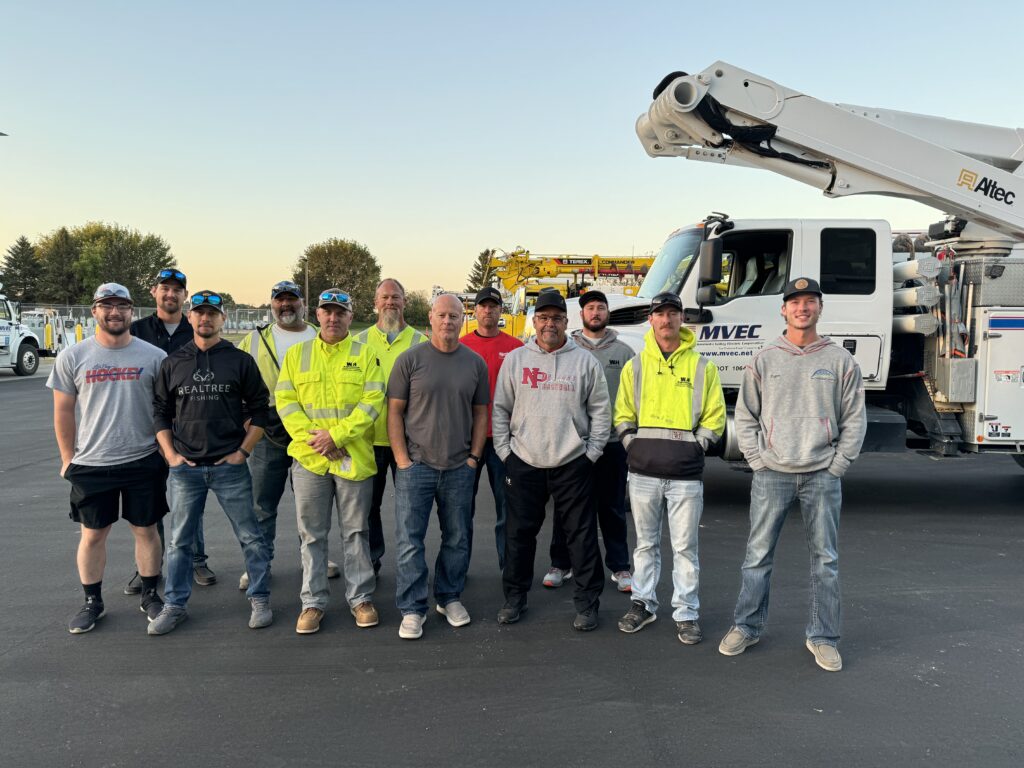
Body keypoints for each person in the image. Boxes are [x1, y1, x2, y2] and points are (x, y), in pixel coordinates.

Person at [719, 277, 866, 672]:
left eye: (810, 301)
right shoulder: (764, 359)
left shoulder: (840, 361)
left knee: (826, 561)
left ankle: (824, 637)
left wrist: (838, 464)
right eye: (795, 302)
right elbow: (745, 415)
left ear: (820, 309)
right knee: (757, 556)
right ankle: (746, 626)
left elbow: (854, 419)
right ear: (782, 310)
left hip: (822, 475)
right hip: (772, 474)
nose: (802, 308)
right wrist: (757, 459)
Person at [149, 290, 273, 635]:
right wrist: (171, 455)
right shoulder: (172, 363)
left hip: (229, 467)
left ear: (223, 319)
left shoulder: (239, 361)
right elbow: (159, 412)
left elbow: (261, 409)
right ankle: (175, 605)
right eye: (199, 313)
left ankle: (260, 597)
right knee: (180, 542)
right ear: (190, 318)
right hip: (185, 470)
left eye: (212, 313)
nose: (205, 319)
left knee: (250, 535)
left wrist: (243, 452)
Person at [49, 283, 169, 633]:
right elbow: (63, 411)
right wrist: (67, 457)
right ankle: (92, 602)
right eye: (107, 305)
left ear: (132, 311)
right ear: (94, 311)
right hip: (92, 463)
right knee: (93, 534)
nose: (114, 312)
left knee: (146, 530)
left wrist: (165, 451)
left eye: (122, 306)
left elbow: (165, 409)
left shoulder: (153, 356)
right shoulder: (74, 356)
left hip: (142, 459)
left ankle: (150, 593)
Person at [492, 291, 610, 631]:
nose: (549, 324)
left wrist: (591, 453)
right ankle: (514, 598)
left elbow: (601, 411)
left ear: (566, 322)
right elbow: (500, 409)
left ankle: (588, 604)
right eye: (543, 317)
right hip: (524, 461)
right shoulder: (516, 360)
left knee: (582, 536)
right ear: (534, 321)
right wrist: (505, 453)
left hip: (573, 462)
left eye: (556, 318)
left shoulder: (585, 362)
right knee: (519, 535)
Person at [613, 292, 726, 644]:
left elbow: (715, 417)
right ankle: (643, 604)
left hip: (685, 476)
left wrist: (698, 446)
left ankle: (687, 614)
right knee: (645, 545)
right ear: (651, 319)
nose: (666, 320)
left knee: (685, 548)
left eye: (672, 314)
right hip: (643, 473)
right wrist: (634, 445)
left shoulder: (702, 366)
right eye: (659, 314)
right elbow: (622, 414)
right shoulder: (636, 366)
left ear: (681, 319)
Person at [276, 288, 386, 634]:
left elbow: (372, 402)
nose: (334, 318)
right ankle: (312, 603)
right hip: (311, 461)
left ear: (351, 317)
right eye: (328, 312)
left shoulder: (364, 354)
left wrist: (336, 436)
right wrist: (321, 442)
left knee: (356, 532)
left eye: (341, 312)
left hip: (352, 458)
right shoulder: (297, 355)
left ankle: (361, 598)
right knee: (312, 535)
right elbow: (286, 403)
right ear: (318, 315)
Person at [387, 294, 488, 640]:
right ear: (430, 317)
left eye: (455, 316)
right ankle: (413, 608)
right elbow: (394, 412)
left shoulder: (474, 364)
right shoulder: (409, 360)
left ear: (464, 320)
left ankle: (449, 597)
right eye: (442, 315)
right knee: (410, 541)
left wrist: (474, 457)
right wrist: (402, 460)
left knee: (458, 537)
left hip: (459, 467)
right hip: (417, 467)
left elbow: (480, 414)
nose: (448, 321)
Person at [237, 280, 338, 592]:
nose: (286, 306)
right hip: (267, 432)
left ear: (303, 303)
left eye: (292, 300)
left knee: (310, 505)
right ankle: (258, 563)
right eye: (280, 300)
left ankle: (312, 560)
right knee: (262, 506)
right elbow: (235, 383)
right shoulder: (253, 341)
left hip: (311, 432)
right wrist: (244, 422)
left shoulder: (320, 335)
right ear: (272, 304)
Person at [127, 268, 212, 593]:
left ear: (184, 297)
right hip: (147, 430)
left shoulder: (195, 330)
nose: (170, 294)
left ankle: (197, 561)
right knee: (150, 504)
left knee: (190, 500)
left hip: (188, 427)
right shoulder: (137, 330)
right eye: (165, 288)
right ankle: (149, 567)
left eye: (177, 290)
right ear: (154, 292)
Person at [543, 289, 634, 591]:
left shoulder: (623, 353)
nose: (596, 313)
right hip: (572, 444)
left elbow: (633, 397)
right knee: (566, 508)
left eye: (601, 308)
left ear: (608, 314)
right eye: (590, 308)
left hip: (610, 443)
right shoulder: (566, 350)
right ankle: (561, 563)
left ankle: (620, 567)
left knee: (612, 508)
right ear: (580, 314)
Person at [353, 279, 428, 574]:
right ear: (375, 302)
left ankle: (410, 564)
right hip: (368, 441)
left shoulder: (421, 343)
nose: (390, 302)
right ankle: (372, 558)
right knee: (368, 508)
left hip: (409, 442)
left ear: (405, 302)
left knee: (410, 510)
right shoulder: (358, 342)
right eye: (384, 297)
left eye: (395, 297)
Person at [459, 285, 523, 569]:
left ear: (500, 310)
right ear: (475, 310)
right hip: (466, 440)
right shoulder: (460, 345)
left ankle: (508, 569)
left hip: (503, 440)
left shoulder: (517, 348)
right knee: (461, 511)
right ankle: (457, 570)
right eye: (483, 305)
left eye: (493, 306)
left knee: (507, 510)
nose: (488, 310)